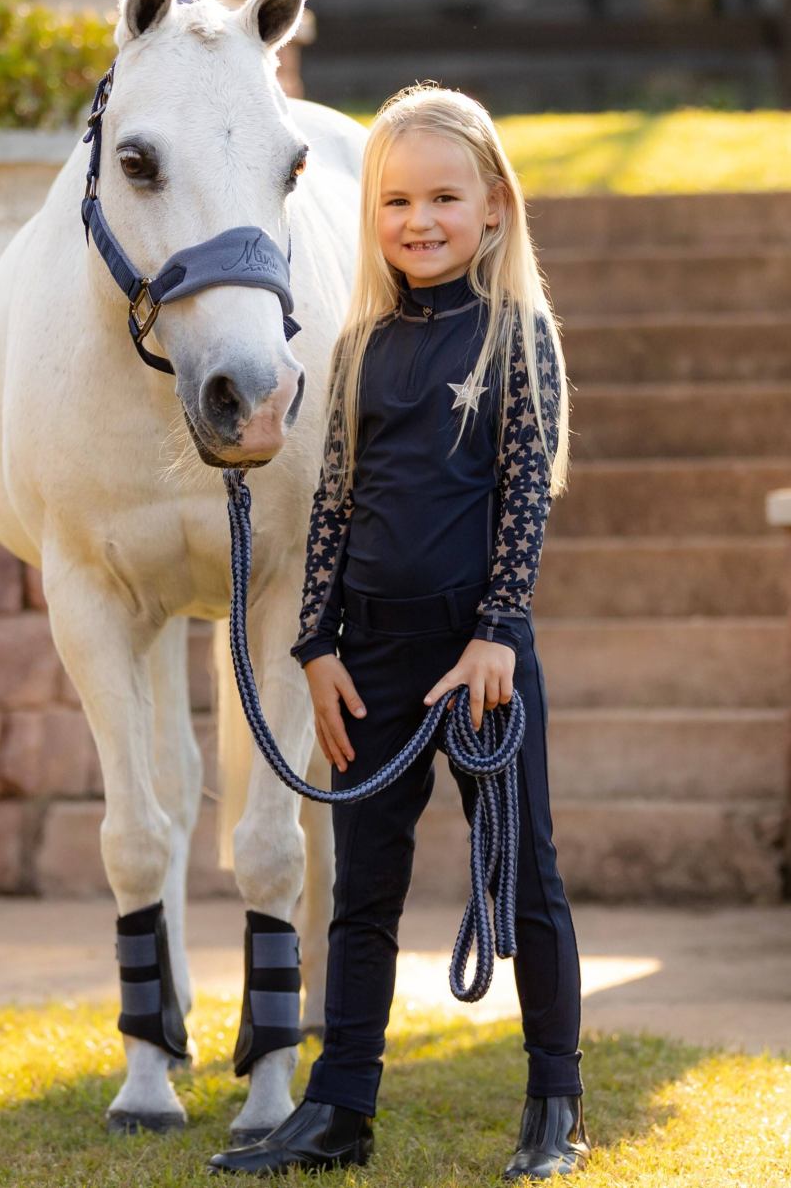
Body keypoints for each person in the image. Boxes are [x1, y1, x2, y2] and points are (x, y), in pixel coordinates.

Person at [208, 83, 591, 1181]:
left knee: (524, 875)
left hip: (479, 663)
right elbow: (333, 501)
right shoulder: (363, 343)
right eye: (393, 201)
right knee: (363, 885)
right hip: (367, 660)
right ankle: (341, 1105)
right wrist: (316, 645)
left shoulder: (514, 337)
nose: (416, 220)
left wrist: (498, 634)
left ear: (492, 208)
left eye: (440, 198)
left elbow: (526, 497)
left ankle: (554, 1096)